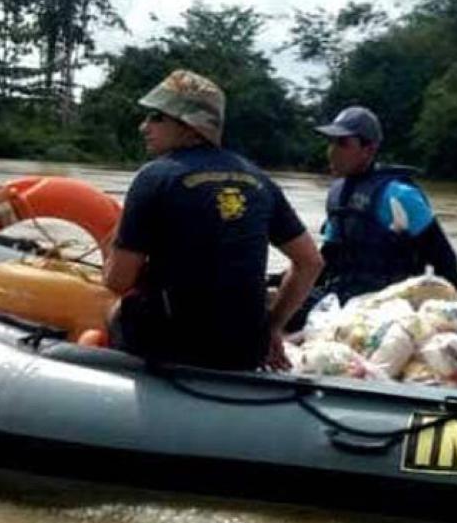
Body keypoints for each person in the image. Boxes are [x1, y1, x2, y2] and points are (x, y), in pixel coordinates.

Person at [102, 69, 323, 370]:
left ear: (190, 127)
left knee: (113, 309)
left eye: (157, 117)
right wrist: (272, 327)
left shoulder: (154, 177)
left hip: (175, 347)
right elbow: (310, 262)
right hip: (246, 349)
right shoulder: (260, 180)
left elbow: (117, 279)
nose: (144, 126)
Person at [286, 106, 457, 330]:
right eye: (331, 143)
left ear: (368, 149)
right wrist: (288, 282)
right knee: (274, 308)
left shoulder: (400, 195)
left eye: (342, 144)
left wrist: (450, 317)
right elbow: (327, 259)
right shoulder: (337, 193)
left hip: (387, 305)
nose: (331, 152)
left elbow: (445, 260)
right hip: (342, 296)